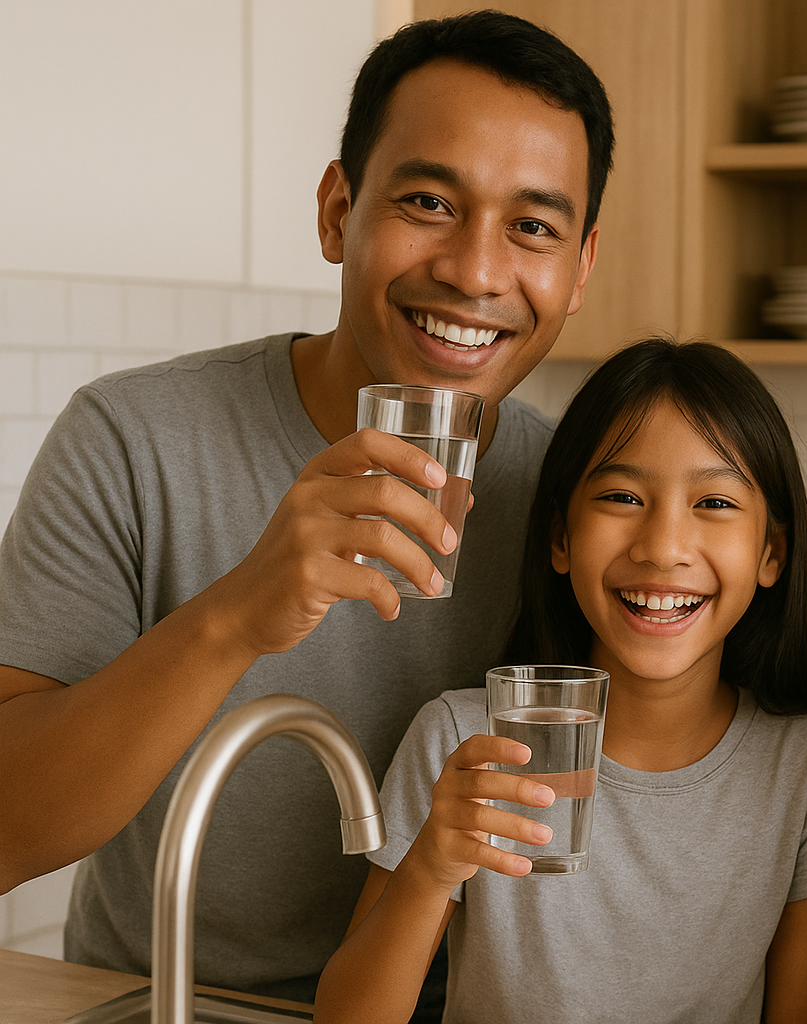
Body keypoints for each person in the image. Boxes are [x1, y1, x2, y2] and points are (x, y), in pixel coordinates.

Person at [0, 11, 612, 1004]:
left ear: (580, 269)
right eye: (428, 201)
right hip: (162, 995)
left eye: (533, 227)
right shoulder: (133, 438)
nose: (474, 271)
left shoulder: (578, 503)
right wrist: (240, 613)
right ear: (337, 212)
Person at [311, 339, 807, 1024]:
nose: (663, 548)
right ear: (561, 539)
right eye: (622, 496)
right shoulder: (465, 741)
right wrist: (430, 867)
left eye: (715, 502)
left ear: (771, 553)